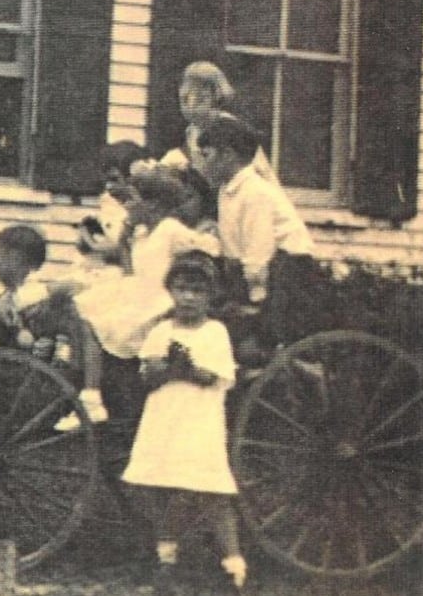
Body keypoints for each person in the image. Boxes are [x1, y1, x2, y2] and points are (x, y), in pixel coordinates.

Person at [55, 166, 220, 432]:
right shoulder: (142, 233)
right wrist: (126, 236)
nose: (126, 207)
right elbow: (132, 269)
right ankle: (88, 391)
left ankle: (92, 398)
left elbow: (209, 246)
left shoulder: (169, 229)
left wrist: (210, 239)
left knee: (97, 321)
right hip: (137, 293)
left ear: (154, 205)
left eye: (131, 200)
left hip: (156, 301)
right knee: (83, 307)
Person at [121, 251, 247, 594]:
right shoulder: (161, 330)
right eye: (181, 289)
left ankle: (234, 566)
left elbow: (215, 377)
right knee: (147, 483)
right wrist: (163, 369)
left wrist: (187, 367)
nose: (189, 297)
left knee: (208, 490)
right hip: (163, 418)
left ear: (210, 295)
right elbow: (147, 376)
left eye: (197, 291)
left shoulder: (214, 332)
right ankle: (166, 555)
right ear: (171, 291)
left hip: (198, 419)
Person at [0, 225, 107, 426]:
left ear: (29, 264)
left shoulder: (24, 285)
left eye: (7, 254)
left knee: (72, 310)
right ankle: (83, 383)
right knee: (67, 308)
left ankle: (77, 373)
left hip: (13, 354)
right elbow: (0, 311)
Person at [197, 115, 314, 309]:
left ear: (227, 155)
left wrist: (255, 300)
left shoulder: (256, 191)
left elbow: (259, 249)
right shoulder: (226, 190)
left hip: (285, 271)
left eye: (206, 155)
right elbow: (234, 243)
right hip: (250, 270)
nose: (203, 165)